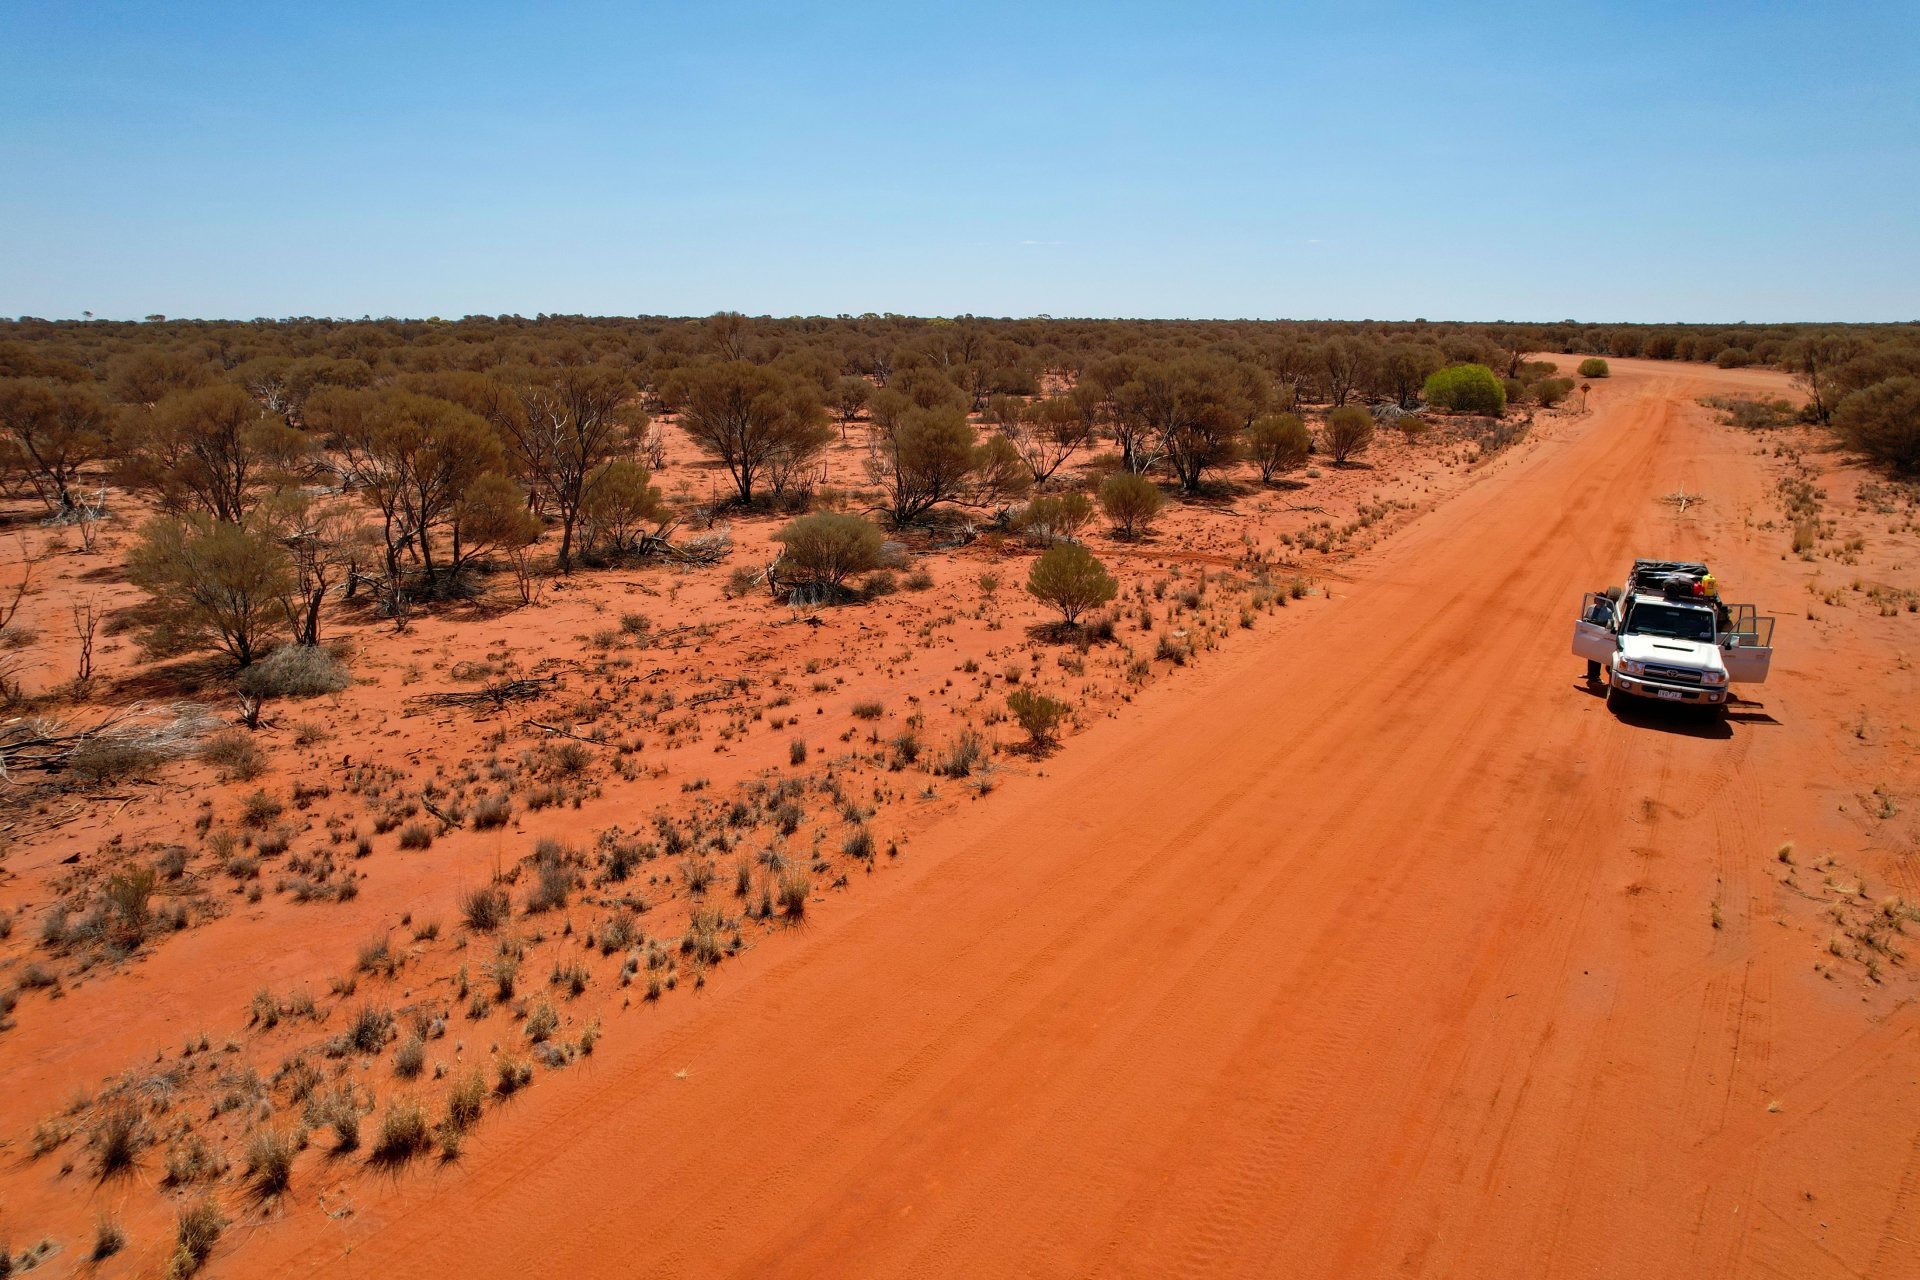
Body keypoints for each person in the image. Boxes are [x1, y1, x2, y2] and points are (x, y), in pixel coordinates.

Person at [1583, 591, 1613, 682]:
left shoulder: (1608, 612)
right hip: (1590, 635)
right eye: (1595, 598)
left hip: (1600, 637)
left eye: (1598, 599)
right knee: (1590, 654)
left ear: (1603, 601)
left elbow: (1609, 625)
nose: (1595, 599)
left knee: (1597, 656)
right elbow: (1585, 618)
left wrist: (1595, 623)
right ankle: (1590, 674)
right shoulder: (1590, 608)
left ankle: (1596, 676)